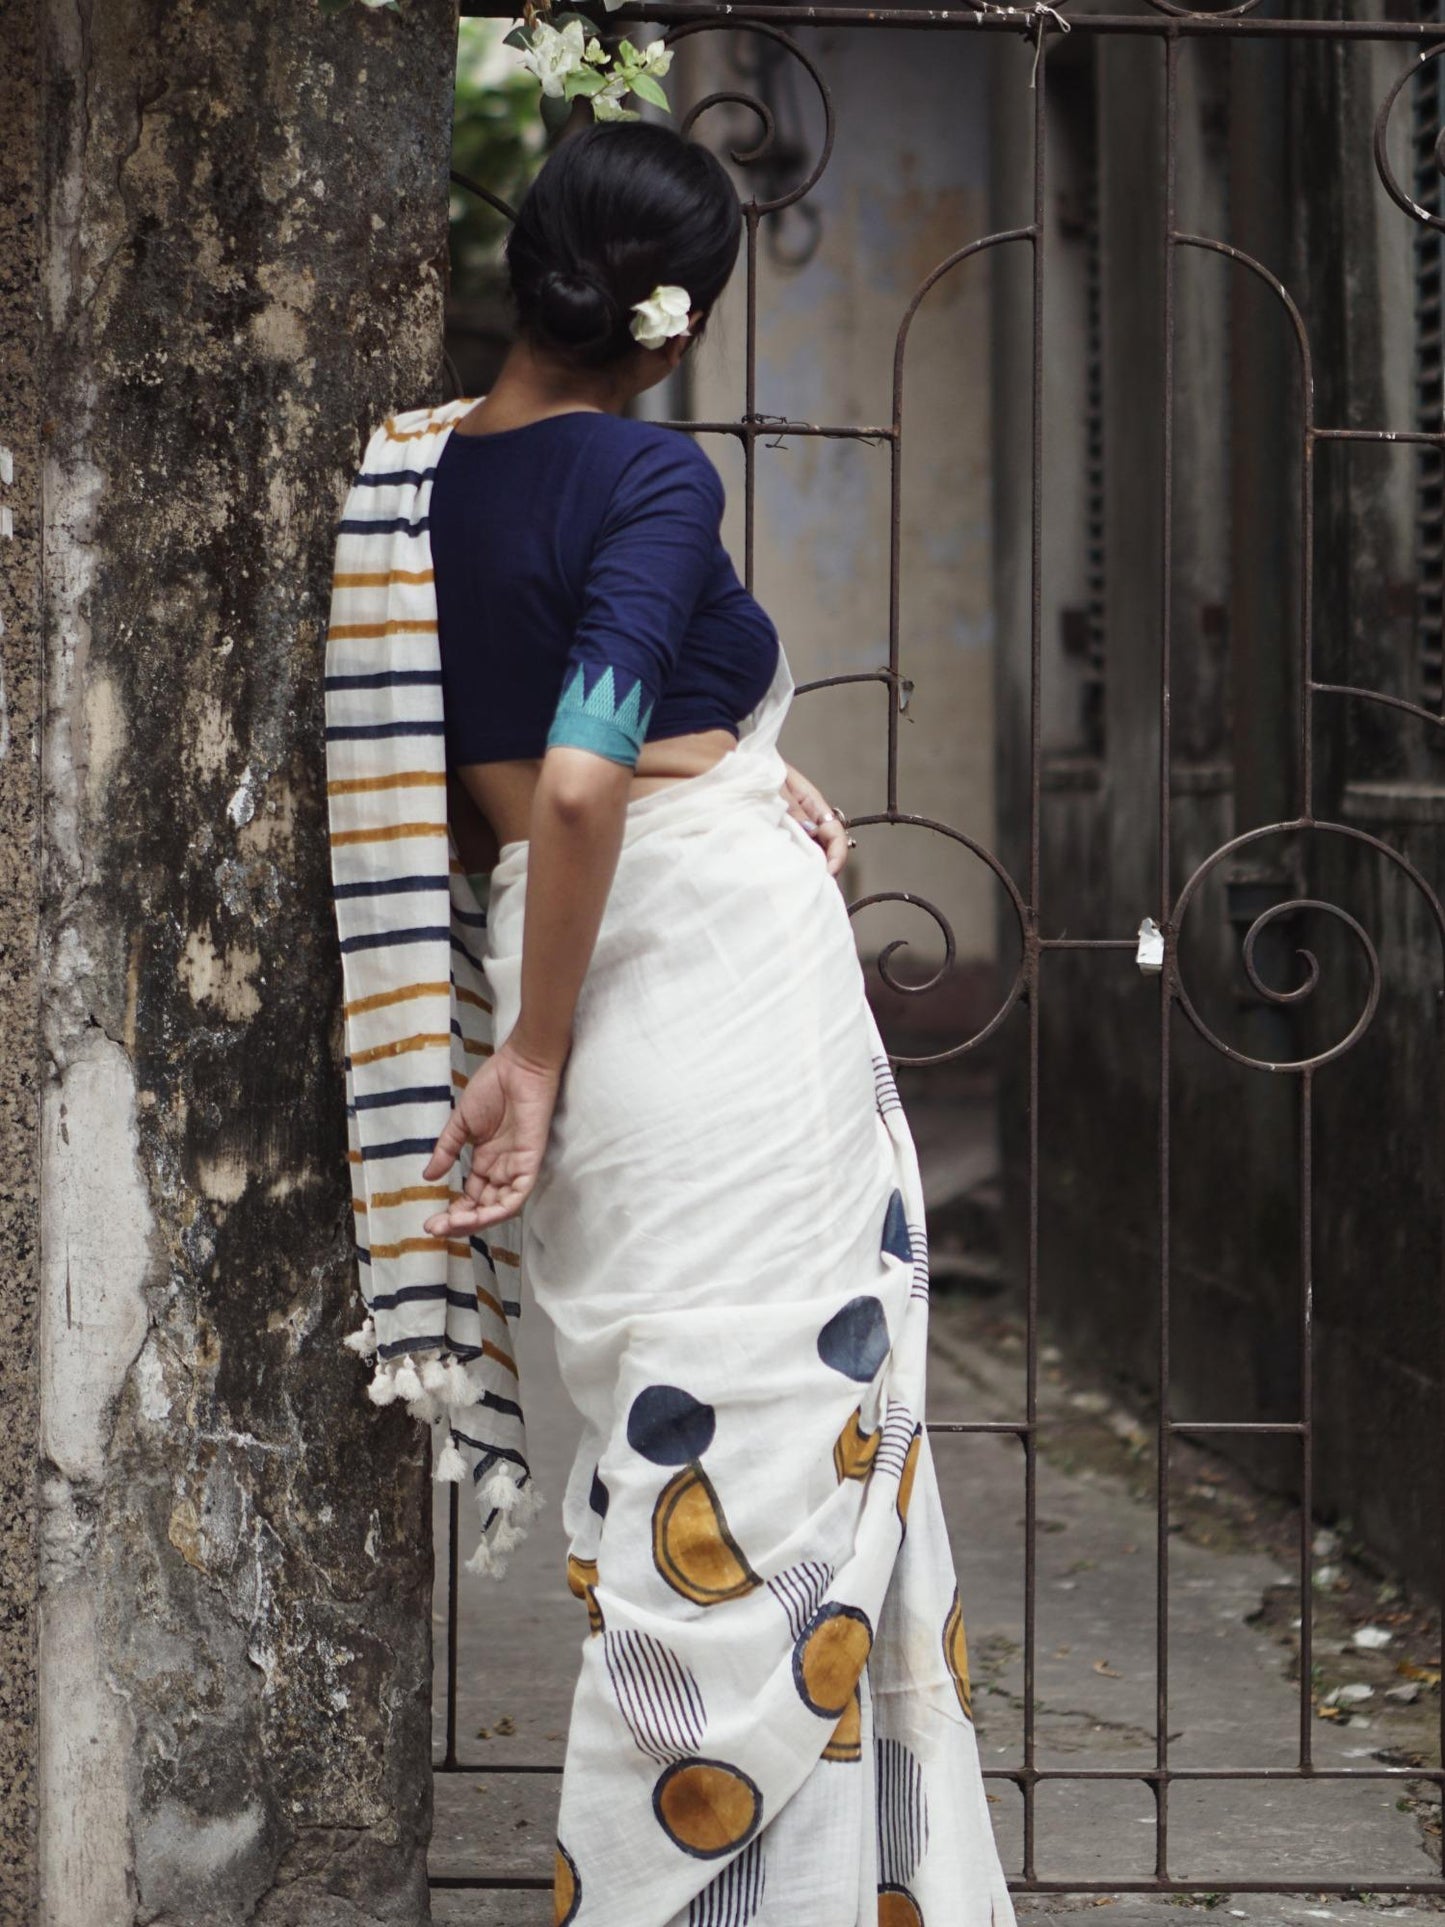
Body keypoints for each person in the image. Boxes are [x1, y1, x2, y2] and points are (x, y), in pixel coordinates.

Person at [389, 120, 1013, 1927]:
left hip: (576, 954)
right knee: (781, 1457)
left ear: (526, 274)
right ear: (669, 329)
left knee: (683, 1466)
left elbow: (563, 744)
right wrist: (535, 1053)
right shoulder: (649, 483)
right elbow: (589, 775)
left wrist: (754, 761)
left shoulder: (404, 480)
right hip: (685, 997)